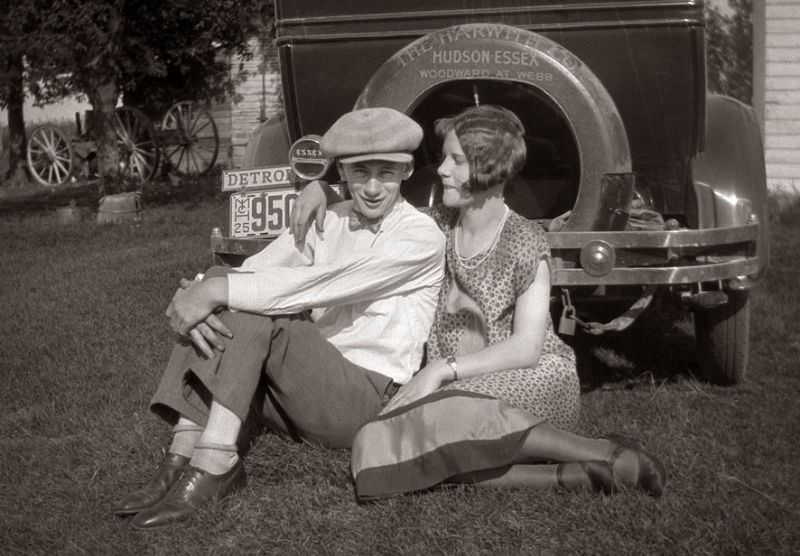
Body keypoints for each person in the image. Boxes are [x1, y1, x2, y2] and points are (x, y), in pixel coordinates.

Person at [292, 104, 666, 500]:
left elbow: (527, 348)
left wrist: (442, 370)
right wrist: (323, 188)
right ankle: (570, 476)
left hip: (531, 379)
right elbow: (377, 199)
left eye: (456, 160)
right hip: (455, 391)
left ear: (488, 168)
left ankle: (603, 453)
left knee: (429, 424)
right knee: (391, 436)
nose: (440, 171)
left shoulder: (525, 241)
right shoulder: (435, 224)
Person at [113, 107, 446, 528]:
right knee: (224, 281)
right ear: (342, 172)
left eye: (388, 172)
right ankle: (181, 453)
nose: (375, 187)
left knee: (255, 306)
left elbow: (317, 286)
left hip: (364, 400)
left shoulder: (419, 237)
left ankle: (216, 459)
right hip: (304, 392)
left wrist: (216, 293)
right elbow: (260, 267)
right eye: (361, 172)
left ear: (407, 171)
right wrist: (199, 288)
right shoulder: (334, 216)